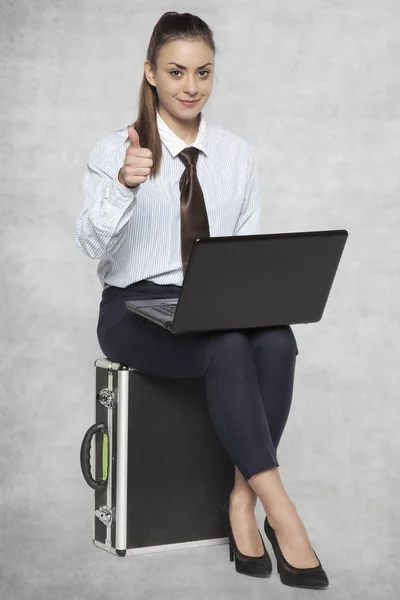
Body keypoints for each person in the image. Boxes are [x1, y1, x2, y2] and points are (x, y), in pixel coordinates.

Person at [76, 11, 329, 589]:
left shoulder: (237, 155)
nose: (191, 87)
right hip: (133, 307)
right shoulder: (118, 150)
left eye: (204, 72)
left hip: (212, 299)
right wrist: (123, 186)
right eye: (176, 71)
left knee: (274, 340)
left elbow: (240, 256)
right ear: (151, 73)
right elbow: (89, 245)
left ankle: (241, 501)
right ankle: (283, 516)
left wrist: (254, 296)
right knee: (225, 349)